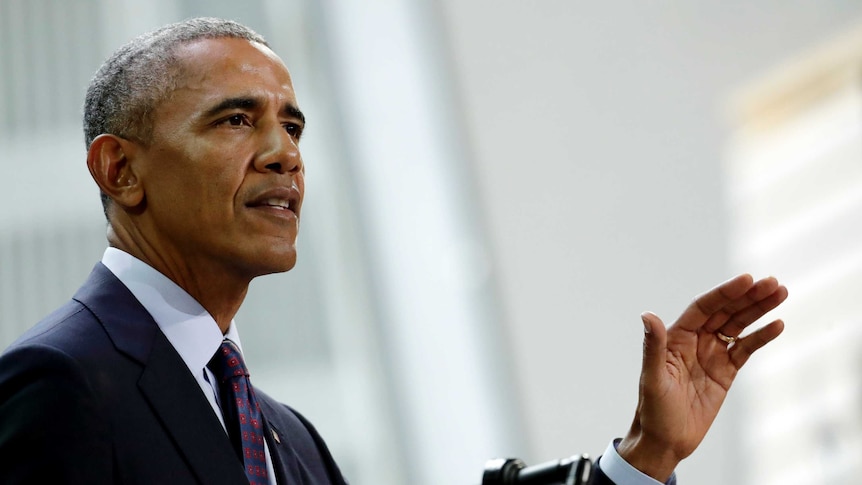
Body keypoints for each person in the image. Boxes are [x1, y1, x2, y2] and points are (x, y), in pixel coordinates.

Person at [0, 17, 787, 485]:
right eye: (236, 120)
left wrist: (644, 455)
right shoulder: (60, 384)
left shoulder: (287, 437)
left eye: (294, 126)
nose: (284, 154)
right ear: (121, 169)